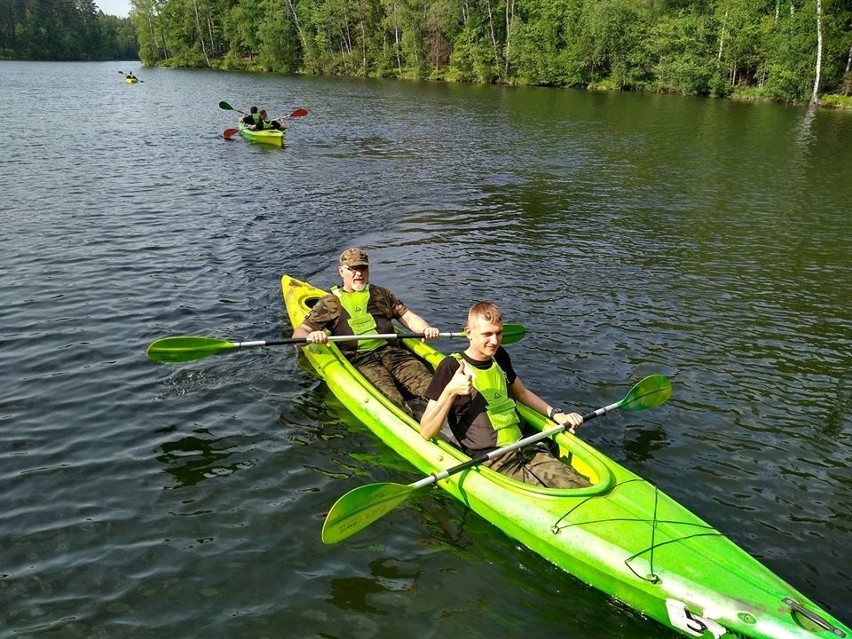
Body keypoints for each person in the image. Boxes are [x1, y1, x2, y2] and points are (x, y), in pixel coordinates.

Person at [419, 301, 591, 489]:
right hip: (491, 460)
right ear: (468, 332)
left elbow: (522, 393)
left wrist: (558, 414)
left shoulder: (499, 356)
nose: (494, 341)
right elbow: (426, 431)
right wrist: (450, 391)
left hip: (524, 445)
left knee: (575, 484)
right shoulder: (450, 366)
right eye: (487, 334)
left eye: (498, 333)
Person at [292, 248, 440, 414]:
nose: (358, 274)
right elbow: (299, 334)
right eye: (352, 269)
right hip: (361, 360)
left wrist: (426, 329)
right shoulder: (330, 303)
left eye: (362, 268)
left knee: (435, 390)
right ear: (341, 271)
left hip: (394, 354)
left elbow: (408, 317)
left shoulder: (381, 294)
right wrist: (313, 335)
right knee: (392, 402)